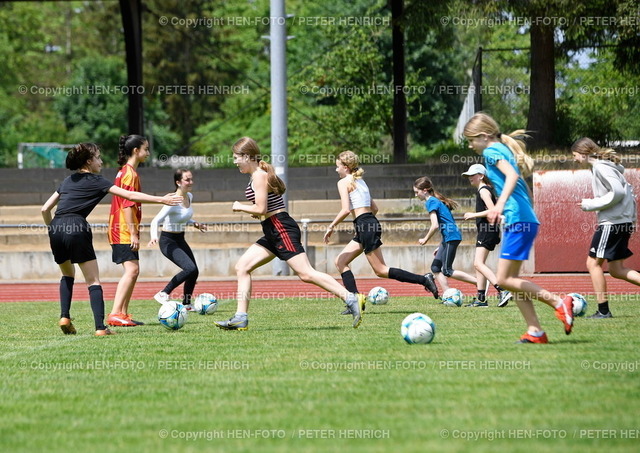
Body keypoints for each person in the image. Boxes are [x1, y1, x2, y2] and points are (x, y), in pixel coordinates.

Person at [213, 137, 366, 330]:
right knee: (242, 267)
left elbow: (260, 208)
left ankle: (351, 298)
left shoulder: (259, 175)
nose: (235, 162)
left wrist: (240, 207)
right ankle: (240, 318)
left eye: (237, 157)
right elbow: (264, 208)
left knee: (306, 273)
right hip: (272, 228)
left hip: (280, 227)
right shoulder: (257, 175)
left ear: (247, 156)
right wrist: (257, 212)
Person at [41, 143, 182, 336]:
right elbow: (130, 195)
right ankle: (100, 328)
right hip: (77, 226)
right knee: (93, 282)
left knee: (67, 275)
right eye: (98, 157)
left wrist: (51, 228)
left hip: (56, 226)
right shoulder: (97, 180)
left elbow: (45, 209)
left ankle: (65, 316)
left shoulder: (67, 181)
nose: (101, 161)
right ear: (89, 161)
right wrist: (162, 200)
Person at [463, 112, 574, 344]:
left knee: (503, 279)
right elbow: (520, 182)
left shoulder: (492, 151)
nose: (471, 145)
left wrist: (500, 205)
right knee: (512, 280)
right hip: (523, 218)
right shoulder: (503, 149)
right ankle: (535, 331)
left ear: (484, 136)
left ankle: (559, 302)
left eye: (472, 140)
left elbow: (513, 176)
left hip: (518, 219)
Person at [323, 150, 438, 307]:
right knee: (340, 261)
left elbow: (345, 210)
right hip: (369, 223)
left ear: (346, 167)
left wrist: (331, 227)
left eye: (338, 167)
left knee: (381, 270)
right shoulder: (361, 181)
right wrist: (363, 225)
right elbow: (374, 208)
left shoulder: (343, 182)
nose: (336, 170)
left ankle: (424, 279)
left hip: (365, 225)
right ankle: (355, 301)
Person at [572, 137, 639, 319]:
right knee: (616, 269)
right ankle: (603, 310)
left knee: (592, 263)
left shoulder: (601, 166)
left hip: (612, 223)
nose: (575, 159)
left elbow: (617, 192)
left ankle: (603, 311)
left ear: (584, 153)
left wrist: (591, 204)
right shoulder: (605, 166)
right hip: (621, 222)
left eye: (575, 155)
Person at [149, 169, 207, 311]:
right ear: (178, 182)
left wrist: (194, 223)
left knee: (194, 271)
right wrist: (154, 236)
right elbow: (155, 221)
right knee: (190, 268)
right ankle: (163, 293)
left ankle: (187, 304)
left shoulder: (190, 196)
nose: (190, 182)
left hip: (180, 238)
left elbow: (182, 216)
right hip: (168, 241)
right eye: (187, 180)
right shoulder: (172, 201)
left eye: (191, 179)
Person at [107, 134, 150, 327]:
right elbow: (126, 205)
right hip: (122, 230)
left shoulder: (125, 171)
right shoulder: (129, 173)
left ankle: (123, 314)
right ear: (136, 151)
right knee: (132, 270)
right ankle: (115, 313)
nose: (148, 153)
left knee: (134, 270)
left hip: (122, 229)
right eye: (146, 149)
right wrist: (133, 232)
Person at [413, 176, 477, 298]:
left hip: (451, 236)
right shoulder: (435, 200)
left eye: (417, 192)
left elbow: (435, 225)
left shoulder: (431, 201)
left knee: (447, 270)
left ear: (425, 190)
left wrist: (425, 239)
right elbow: (446, 223)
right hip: (449, 237)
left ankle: (479, 283)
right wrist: (441, 246)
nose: (416, 195)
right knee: (435, 267)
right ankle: (448, 294)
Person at [461, 163, 512, 307]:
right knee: (479, 264)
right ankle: (481, 298)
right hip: (488, 230)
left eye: (473, 175)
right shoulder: (486, 189)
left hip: (487, 230)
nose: (470, 178)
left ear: (481, 176)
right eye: (468, 175)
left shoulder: (483, 190)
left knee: (478, 263)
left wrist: (473, 215)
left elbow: (493, 210)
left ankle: (502, 290)